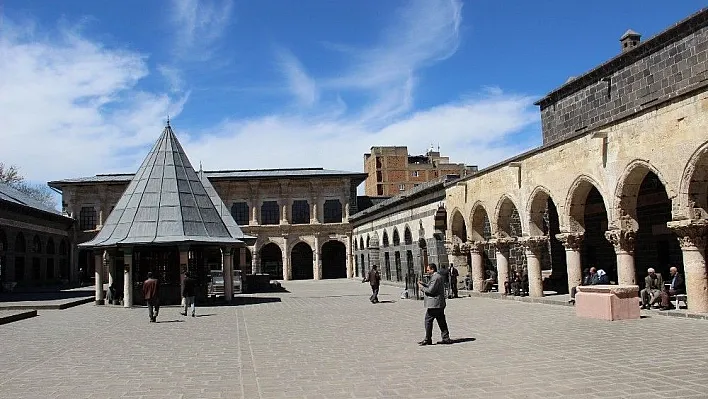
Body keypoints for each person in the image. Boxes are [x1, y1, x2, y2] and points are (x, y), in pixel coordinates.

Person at [417, 263, 451, 346]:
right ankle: (446, 338)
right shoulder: (436, 277)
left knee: (428, 320)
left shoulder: (436, 277)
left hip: (435, 304)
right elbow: (431, 286)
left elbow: (431, 290)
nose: (427, 271)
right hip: (439, 303)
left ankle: (428, 339)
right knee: (441, 320)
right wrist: (424, 284)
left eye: (428, 270)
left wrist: (421, 288)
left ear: (432, 269)